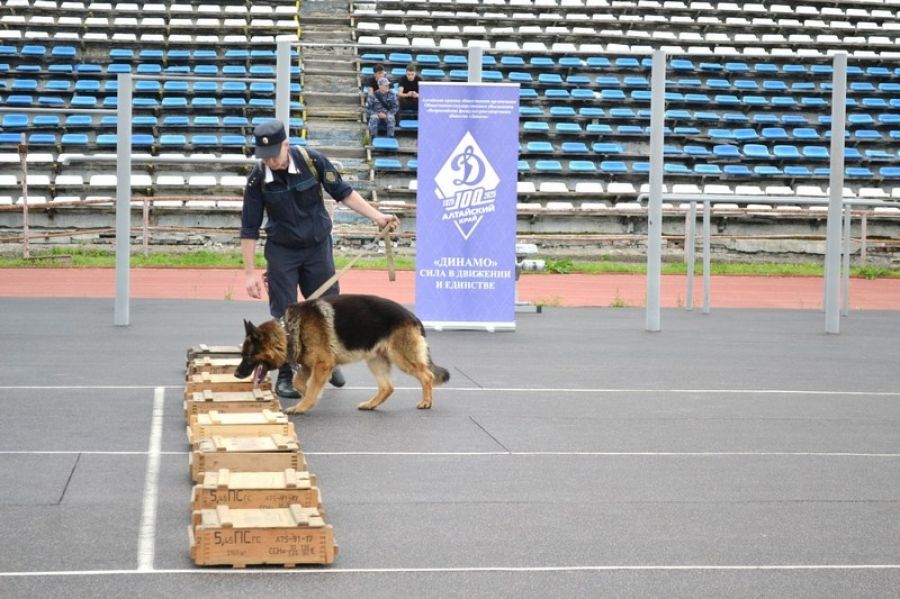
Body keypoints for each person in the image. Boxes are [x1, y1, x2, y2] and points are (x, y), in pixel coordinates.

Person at [240, 119, 398, 399]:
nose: (270, 162)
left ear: (286, 145)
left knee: (327, 307)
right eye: (263, 156)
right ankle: (287, 374)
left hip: (317, 247)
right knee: (284, 313)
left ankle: (329, 359)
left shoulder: (312, 161)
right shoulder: (257, 179)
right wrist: (250, 272)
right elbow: (249, 227)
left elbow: (344, 193)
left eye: (274, 155)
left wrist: (378, 217)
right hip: (281, 250)